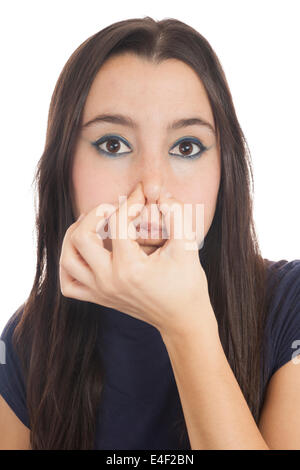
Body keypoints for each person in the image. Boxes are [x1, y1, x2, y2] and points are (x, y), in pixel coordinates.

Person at [0, 16, 300, 450]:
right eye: (113, 144)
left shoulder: (290, 305)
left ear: (224, 172)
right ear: (65, 170)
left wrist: (186, 325)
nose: (153, 186)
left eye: (186, 147)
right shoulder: (26, 343)